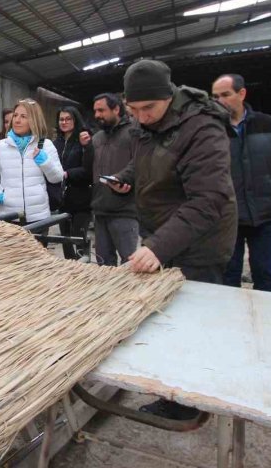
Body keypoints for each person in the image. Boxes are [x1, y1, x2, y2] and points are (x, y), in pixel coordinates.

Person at [107, 60, 237, 421]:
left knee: (192, 324)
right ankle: (172, 389)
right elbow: (149, 160)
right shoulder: (148, 122)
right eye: (133, 110)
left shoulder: (202, 128)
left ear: (169, 96)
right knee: (167, 320)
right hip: (164, 231)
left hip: (199, 241)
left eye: (148, 108)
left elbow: (209, 200)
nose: (141, 117)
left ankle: (188, 403)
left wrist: (158, 246)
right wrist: (126, 177)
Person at [212, 74, 271, 293]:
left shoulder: (266, 124)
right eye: (215, 96)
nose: (220, 101)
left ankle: (268, 324)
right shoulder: (212, 129)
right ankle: (229, 323)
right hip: (228, 215)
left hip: (265, 213)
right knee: (228, 272)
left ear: (241, 94)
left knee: (264, 271)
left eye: (225, 95)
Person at [0, 99, 63, 223]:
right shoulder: (0, 147)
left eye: (23, 116)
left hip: (39, 217)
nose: (17, 120)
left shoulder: (46, 145)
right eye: (15, 115)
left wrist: (45, 162)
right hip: (9, 215)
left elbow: (57, 177)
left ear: (34, 119)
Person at [88, 93, 138, 266]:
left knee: (130, 264)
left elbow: (141, 163)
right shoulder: (97, 138)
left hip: (125, 209)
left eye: (101, 110)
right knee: (103, 264)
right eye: (95, 111)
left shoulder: (134, 132)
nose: (97, 115)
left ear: (116, 109)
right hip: (100, 209)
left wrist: (126, 181)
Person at [53, 106, 93, 260]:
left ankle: (84, 269)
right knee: (66, 239)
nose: (64, 122)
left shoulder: (84, 139)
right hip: (62, 200)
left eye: (68, 119)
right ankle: (70, 271)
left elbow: (89, 170)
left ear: (75, 120)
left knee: (79, 237)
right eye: (61, 119)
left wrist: (68, 173)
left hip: (81, 198)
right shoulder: (56, 143)